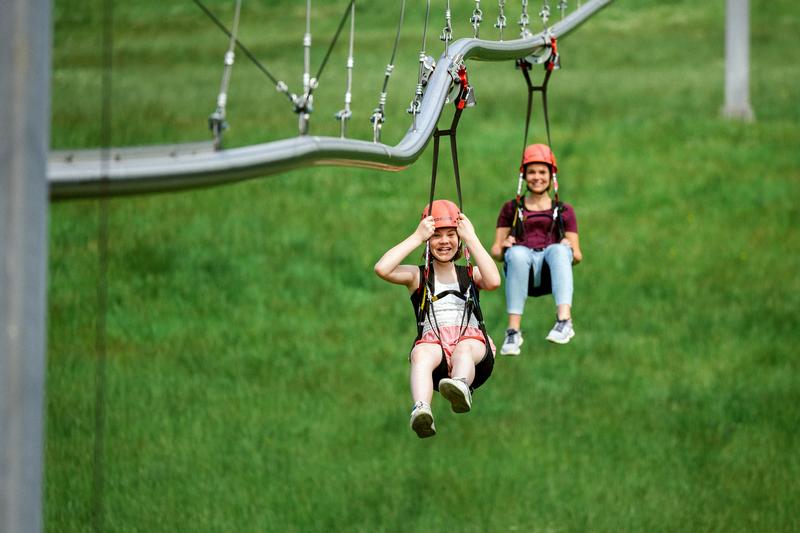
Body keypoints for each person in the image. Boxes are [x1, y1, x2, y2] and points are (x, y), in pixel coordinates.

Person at [374, 200, 501, 438]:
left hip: (473, 349)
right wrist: (416, 236)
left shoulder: (470, 274)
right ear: (428, 241)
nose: (444, 241)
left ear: (460, 239)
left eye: (451, 235)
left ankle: (460, 386)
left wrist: (472, 238)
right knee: (421, 353)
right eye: (437, 236)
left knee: (464, 348)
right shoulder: (418, 276)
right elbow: (382, 268)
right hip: (436, 350)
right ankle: (422, 408)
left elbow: (494, 281)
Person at [490, 143, 583, 353]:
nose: (537, 177)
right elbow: (495, 251)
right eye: (532, 172)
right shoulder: (512, 209)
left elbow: (577, 255)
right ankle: (513, 332)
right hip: (523, 268)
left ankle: (564, 320)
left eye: (542, 172)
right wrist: (504, 247)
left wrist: (568, 248)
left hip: (552, 269)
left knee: (559, 250)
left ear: (551, 176)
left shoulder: (564, 211)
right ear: (524, 176)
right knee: (517, 253)